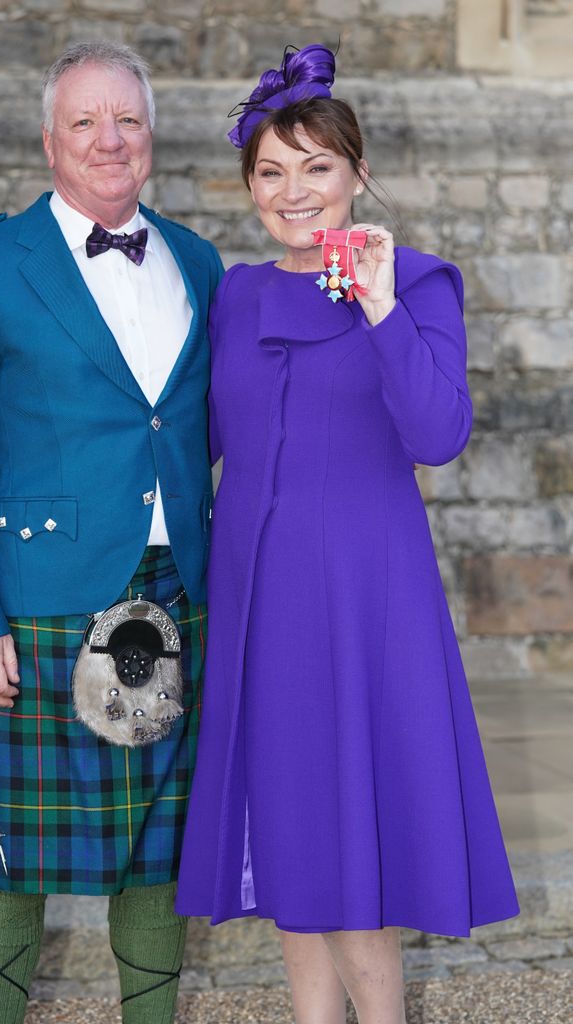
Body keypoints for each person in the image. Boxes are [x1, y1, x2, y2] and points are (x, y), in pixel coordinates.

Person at [175, 44, 519, 1024]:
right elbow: (200, 437)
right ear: (250, 187)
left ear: (356, 173)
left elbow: (438, 432)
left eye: (316, 167)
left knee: (355, 849)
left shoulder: (419, 284)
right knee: (290, 834)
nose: (295, 192)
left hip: (365, 596)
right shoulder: (237, 294)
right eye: (271, 172)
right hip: (258, 600)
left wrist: (373, 302)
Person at [0, 40, 222, 1024]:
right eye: (86, 119)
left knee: (155, 849)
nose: (109, 138)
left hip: (172, 589)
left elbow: (275, 372)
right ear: (50, 139)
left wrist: (354, 279)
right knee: (13, 847)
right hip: (41, 597)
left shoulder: (199, 261)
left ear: (152, 136)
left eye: (128, 118)